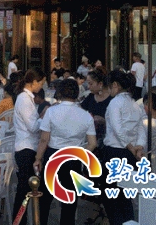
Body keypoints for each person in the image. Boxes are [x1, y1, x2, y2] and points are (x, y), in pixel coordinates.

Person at [35, 79, 96, 225]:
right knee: (69, 201)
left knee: (45, 199)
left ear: (60, 92)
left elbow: (44, 139)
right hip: (73, 158)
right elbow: (92, 143)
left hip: (53, 155)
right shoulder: (86, 115)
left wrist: (38, 158)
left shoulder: (51, 111)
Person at [103, 69, 146, 225]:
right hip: (130, 154)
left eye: (109, 87)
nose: (109, 90)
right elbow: (141, 128)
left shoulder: (115, 103)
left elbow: (117, 128)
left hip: (115, 152)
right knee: (125, 194)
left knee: (111, 195)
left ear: (115, 85)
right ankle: (128, 221)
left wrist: (130, 146)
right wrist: (138, 146)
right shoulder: (135, 104)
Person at [12, 67, 46, 225]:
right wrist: (44, 118)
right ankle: (19, 221)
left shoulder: (26, 98)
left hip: (28, 146)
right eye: (41, 83)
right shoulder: (24, 99)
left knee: (25, 190)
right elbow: (33, 127)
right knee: (24, 192)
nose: (41, 86)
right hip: (26, 148)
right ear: (34, 82)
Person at [80, 69, 112, 145]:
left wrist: (104, 121)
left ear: (100, 84)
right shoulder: (90, 97)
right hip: (90, 138)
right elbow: (80, 111)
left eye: (91, 84)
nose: (88, 87)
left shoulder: (112, 100)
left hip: (108, 139)